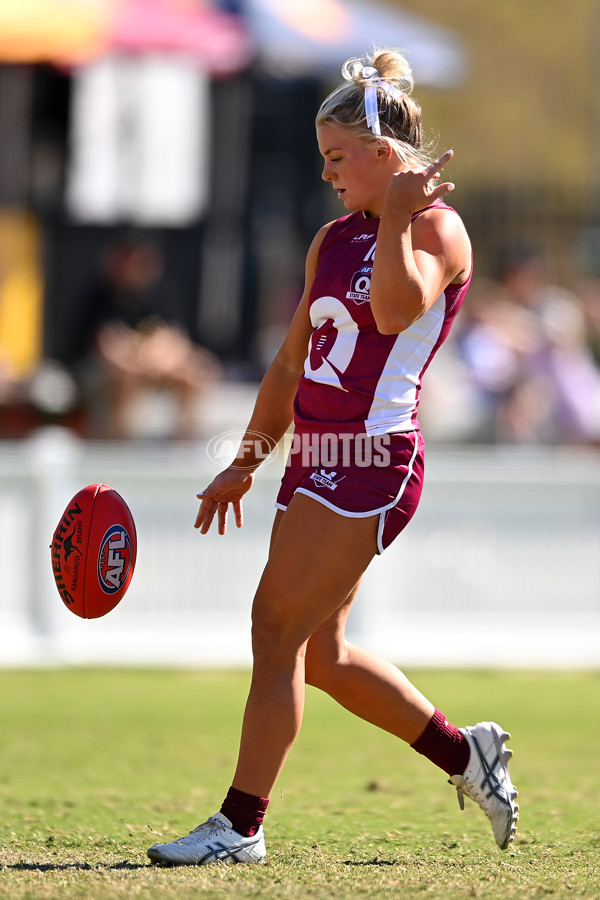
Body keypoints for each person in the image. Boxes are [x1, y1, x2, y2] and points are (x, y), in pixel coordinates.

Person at [147, 48, 518, 866]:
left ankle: (240, 826)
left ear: (386, 155)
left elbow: (392, 313)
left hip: (373, 459)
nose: (328, 175)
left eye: (338, 158)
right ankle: (467, 756)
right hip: (314, 457)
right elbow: (289, 364)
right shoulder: (332, 238)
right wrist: (246, 460)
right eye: (324, 160)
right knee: (320, 654)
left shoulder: (435, 227)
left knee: (273, 625)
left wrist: (393, 221)